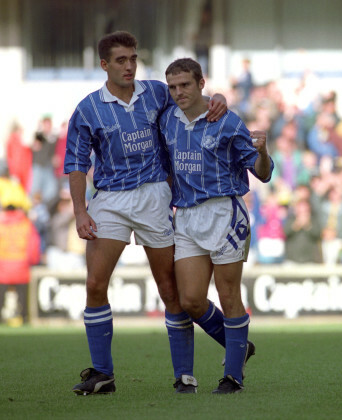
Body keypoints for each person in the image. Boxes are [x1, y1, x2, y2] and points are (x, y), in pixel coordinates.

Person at [64, 31, 228, 396]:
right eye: (121, 60)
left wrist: (217, 97)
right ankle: (102, 374)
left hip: (155, 196)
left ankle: (186, 374)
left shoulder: (156, 92)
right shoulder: (88, 108)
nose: (129, 66)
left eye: (133, 59)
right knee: (94, 284)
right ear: (104, 65)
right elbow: (76, 162)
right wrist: (80, 211)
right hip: (110, 200)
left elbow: (192, 101)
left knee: (170, 290)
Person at [159, 57, 273, 394]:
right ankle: (238, 346)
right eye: (173, 86)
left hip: (225, 214)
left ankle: (233, 378)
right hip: (187, 216)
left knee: (228, 295)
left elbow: (263, 173)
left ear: (200, 83)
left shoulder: (226, 121)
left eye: (185, 85)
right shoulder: (166, 120)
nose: (179, 92)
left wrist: (263, 151)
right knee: (191, 300)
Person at [0, 205, 41, 324]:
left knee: (0, 294)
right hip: (21, 264)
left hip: (3, 264)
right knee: (22, 295)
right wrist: (33, 260)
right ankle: (24, 317)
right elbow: (33, 244)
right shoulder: (26, 224)